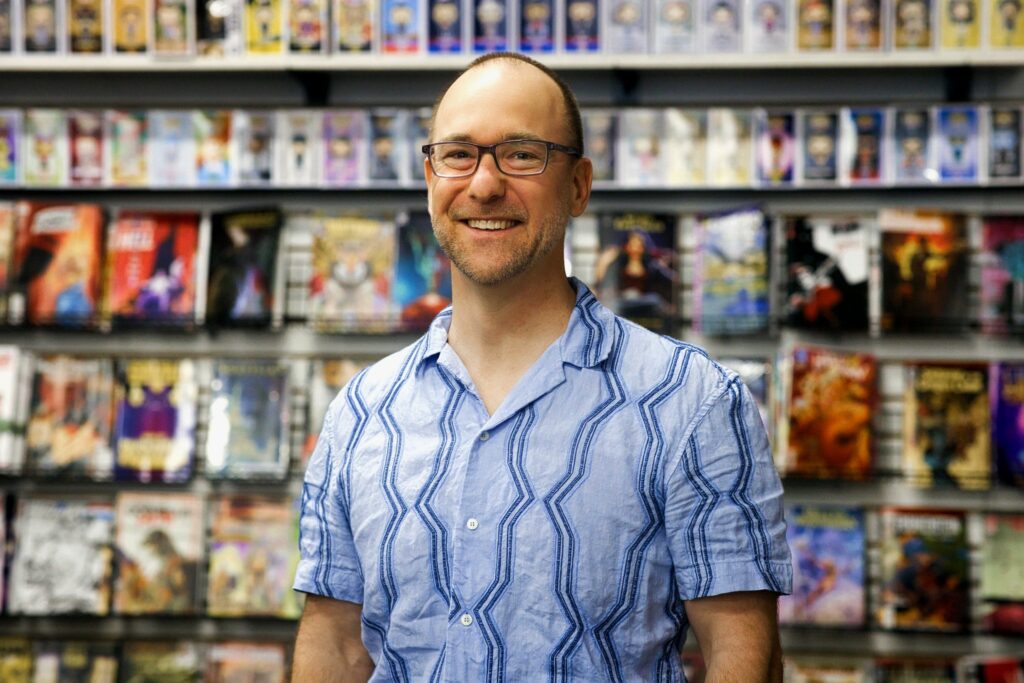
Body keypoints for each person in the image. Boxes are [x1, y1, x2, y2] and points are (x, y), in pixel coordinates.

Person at [292, 53, 791, 682]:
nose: (483, 184)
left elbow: (742, 656)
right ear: (429, 176)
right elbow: (335, 646)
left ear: (579, 185)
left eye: (522, 153)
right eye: (458, 154)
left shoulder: (691, 401)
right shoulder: (361, 411)